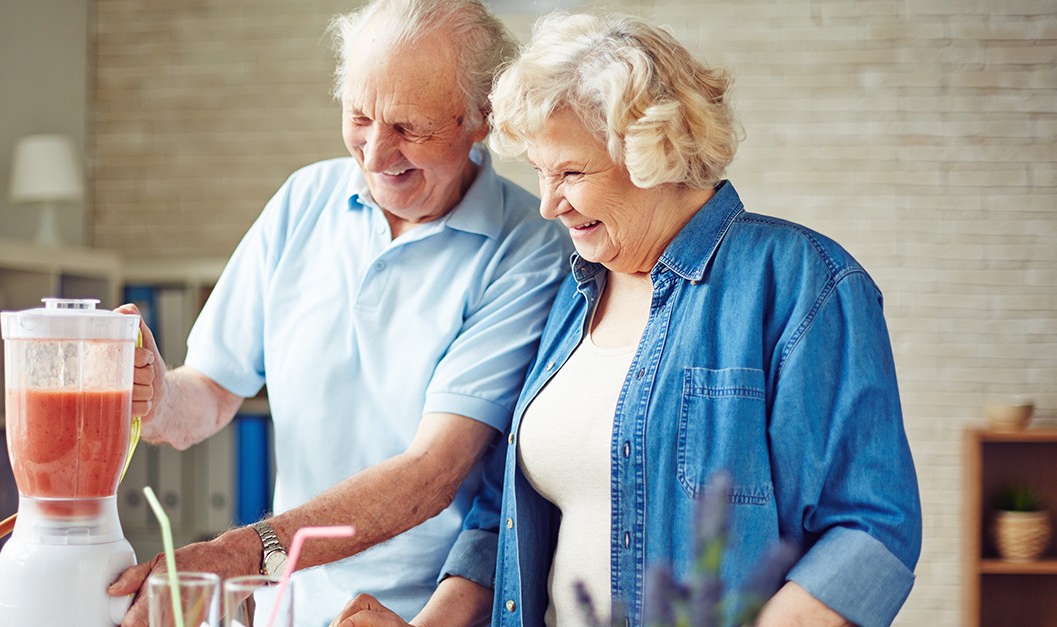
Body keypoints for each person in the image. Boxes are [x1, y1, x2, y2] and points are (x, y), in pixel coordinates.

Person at [333, 11, 922, 627]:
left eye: (571, 173)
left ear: (657, 154)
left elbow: (870, 529)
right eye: (540, 171)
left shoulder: (802, 284)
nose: (547, 203)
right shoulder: (571, 294)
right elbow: (500, 515)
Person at [106, 1, 571, 625]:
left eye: (410, 127)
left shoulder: (530, 246)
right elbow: (211, 392)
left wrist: (238, 553)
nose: (377, 153)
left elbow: (433, 470)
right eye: (359, 115)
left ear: (480, 119)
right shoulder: (304, 200)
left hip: (415, 612)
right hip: (285, 602)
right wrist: (157, 395)